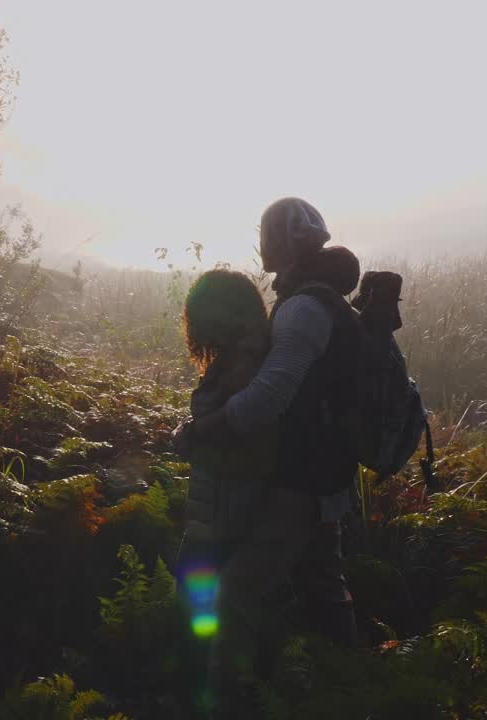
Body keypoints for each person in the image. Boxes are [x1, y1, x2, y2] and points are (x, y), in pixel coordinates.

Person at [180, 197, 364, 716]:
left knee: (237, 594)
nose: (262, 244)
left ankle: (224, 703)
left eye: (267, 234)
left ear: (284, 244)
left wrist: (205, 430)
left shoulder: (304, 308)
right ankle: (353, 687)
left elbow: (270, 397)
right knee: (323, 586)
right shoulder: (325, 301)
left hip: (302, 480)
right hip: (326, 474)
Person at [173, 268, 278, 714]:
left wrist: (195, 437)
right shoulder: (249, 354)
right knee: (206, 589)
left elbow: (244, 431)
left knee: (198, 589)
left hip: (224, 499)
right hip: (224, 495)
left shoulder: (241, 363)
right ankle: (211, 684)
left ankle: (200, 687)